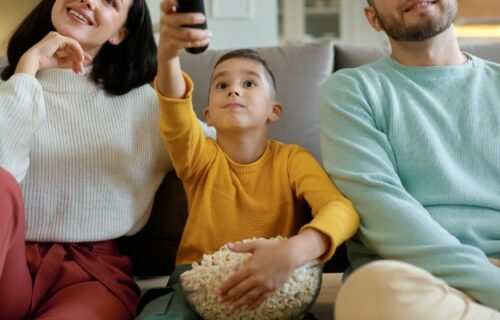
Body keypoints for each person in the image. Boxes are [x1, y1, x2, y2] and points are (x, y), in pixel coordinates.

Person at [136, 0, 359, 318]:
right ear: (207, 115)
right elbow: (174, 109)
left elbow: (341, 209)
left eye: (250, 83)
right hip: (194, 286)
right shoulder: (199, 156)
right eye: (222, 84)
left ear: (274, 111)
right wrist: (169, 56)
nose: (234, 91)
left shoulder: (292, 160)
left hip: (276, 285)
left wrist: (296, 249)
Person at [0, 0, 187, 318]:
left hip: (89, 275)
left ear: (119, 33)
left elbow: (211, 154)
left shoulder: (144, 104)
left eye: (111, 1)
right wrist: (28, 68)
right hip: (7, 261)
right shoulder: (10, 90)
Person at [318, 0, 500, 319]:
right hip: (417, 278)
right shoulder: (351, 90)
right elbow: (381, 209)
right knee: (371, 290)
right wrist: (492, 285)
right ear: (373, 18)